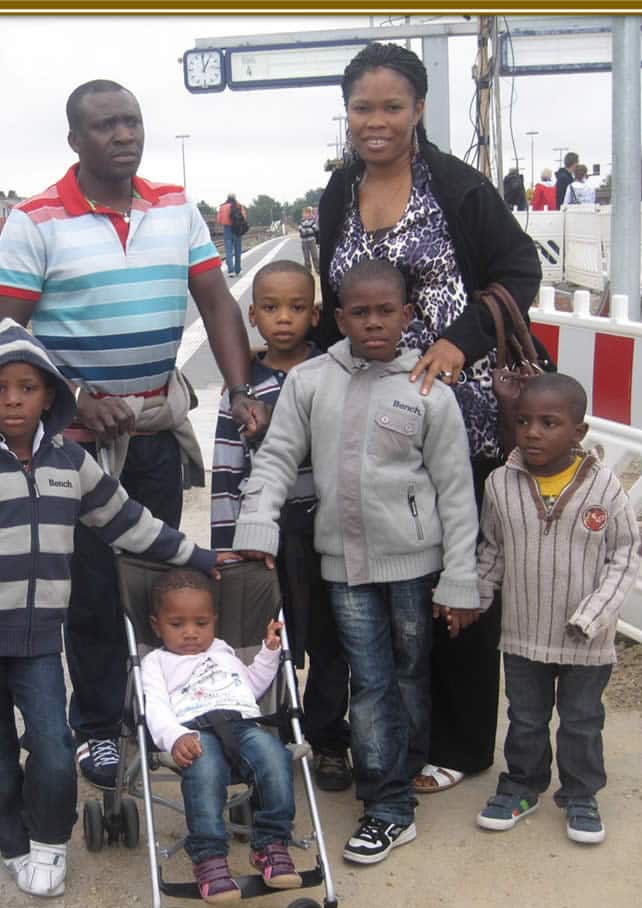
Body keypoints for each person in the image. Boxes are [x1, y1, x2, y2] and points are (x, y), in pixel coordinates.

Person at [0, 79, 266, 792]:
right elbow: (3, 336)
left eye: (132, 122)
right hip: (74, 444)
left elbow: (216, 301)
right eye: (106, 125)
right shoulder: (36, 220)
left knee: (152, 582)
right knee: (90, 592)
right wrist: (73, 393)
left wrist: (241, 391)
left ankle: (155, 705)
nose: (124, 135)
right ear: (75, 140)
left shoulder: (175, 206)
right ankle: (100, 726)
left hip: (154, 432)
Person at [0, 320, 220, 897]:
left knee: (52, 745)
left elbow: (129, 523)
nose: (13, 400)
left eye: (27, 387)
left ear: (49, 393)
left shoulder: (71, 463)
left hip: (38, 643)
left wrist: (197, 557)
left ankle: (50, 837)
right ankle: (12, 841)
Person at [313, 42, 544, 799]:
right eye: (361, 108)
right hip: (366, 421)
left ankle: (463, 741)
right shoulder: (340, 190)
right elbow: (331, 301)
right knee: (392, 582)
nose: (375, 122)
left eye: (391, 107)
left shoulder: (457, 187)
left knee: (458, 572)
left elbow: (519, 270)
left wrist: (458, 340)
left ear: (417, 111)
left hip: (457, 418)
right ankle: (393, 732)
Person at [234, 259, 481, 865]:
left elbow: (455, 490)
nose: (374, 324)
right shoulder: (311, 381)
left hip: (414, 566)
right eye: (360, 313)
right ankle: (388, 806)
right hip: (342, 568)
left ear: (408, 316)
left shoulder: (429, 390)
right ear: (340, 318)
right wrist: (258, 524)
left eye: (386, 312)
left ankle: (402, 763)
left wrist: (460, 576)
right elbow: (276, 458)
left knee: (409, 676)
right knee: (370, 683)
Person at [474, 374, 642, 844]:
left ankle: (580, 794)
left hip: (585, 640)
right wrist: (477, 599)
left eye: (550, 423)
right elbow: (493, 551)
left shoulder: (604, 489)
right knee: (525, 718)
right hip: (524, 633)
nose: (533, 432)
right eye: (523, 421)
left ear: (578, 432)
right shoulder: (500, 485)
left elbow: (627, 554)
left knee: (581, 721)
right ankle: (523, 785)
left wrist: (594, 615)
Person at [210, 259, 351, 792]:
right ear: (252, 314)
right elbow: (226, 472)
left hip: (327, 531)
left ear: (316, 315)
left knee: (331, 640)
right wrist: (227, 547)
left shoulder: (334, 372)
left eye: (296, 308)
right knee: (270, 639)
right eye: (270, 308)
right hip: (264, 540)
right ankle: (268, 735)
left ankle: (329, 738)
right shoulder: (240, 389)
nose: (284, 318)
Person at [141, 568, 301, 902]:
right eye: (177, 624)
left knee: (275, 755)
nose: (190, 634)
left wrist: (269, 653)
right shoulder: (157, 662)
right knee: (205, 768)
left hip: (242, 723)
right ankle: (210, 857)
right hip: (194, 731)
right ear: (157, 625)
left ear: (214, 620)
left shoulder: (224, 650)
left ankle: (271, 844)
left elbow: (251, 687)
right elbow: (154, 708)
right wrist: (174, 737)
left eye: (201, 624)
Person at [217, 192, 248, 277]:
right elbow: (244, 217)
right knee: (238, 250)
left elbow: (219, 220)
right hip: (237, 229)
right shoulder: (239, 205)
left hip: (227, 230)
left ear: (227, 198)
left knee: (228, 251)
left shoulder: (222, 207)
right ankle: (238, 270)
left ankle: (231, 271)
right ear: (235, 198)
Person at [298, 206, 320, 275]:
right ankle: (308, 270)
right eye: (304, 213)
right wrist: (307, 230)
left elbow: (315, 229)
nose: (305, 215)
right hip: (304, 241)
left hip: (312, 241)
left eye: (307, 213)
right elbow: (300, 229)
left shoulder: (312, 221)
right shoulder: (301, 222)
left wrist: (307, 230)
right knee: (306, 257)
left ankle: (318, 269)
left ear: (310, 214)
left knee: (315, 256)